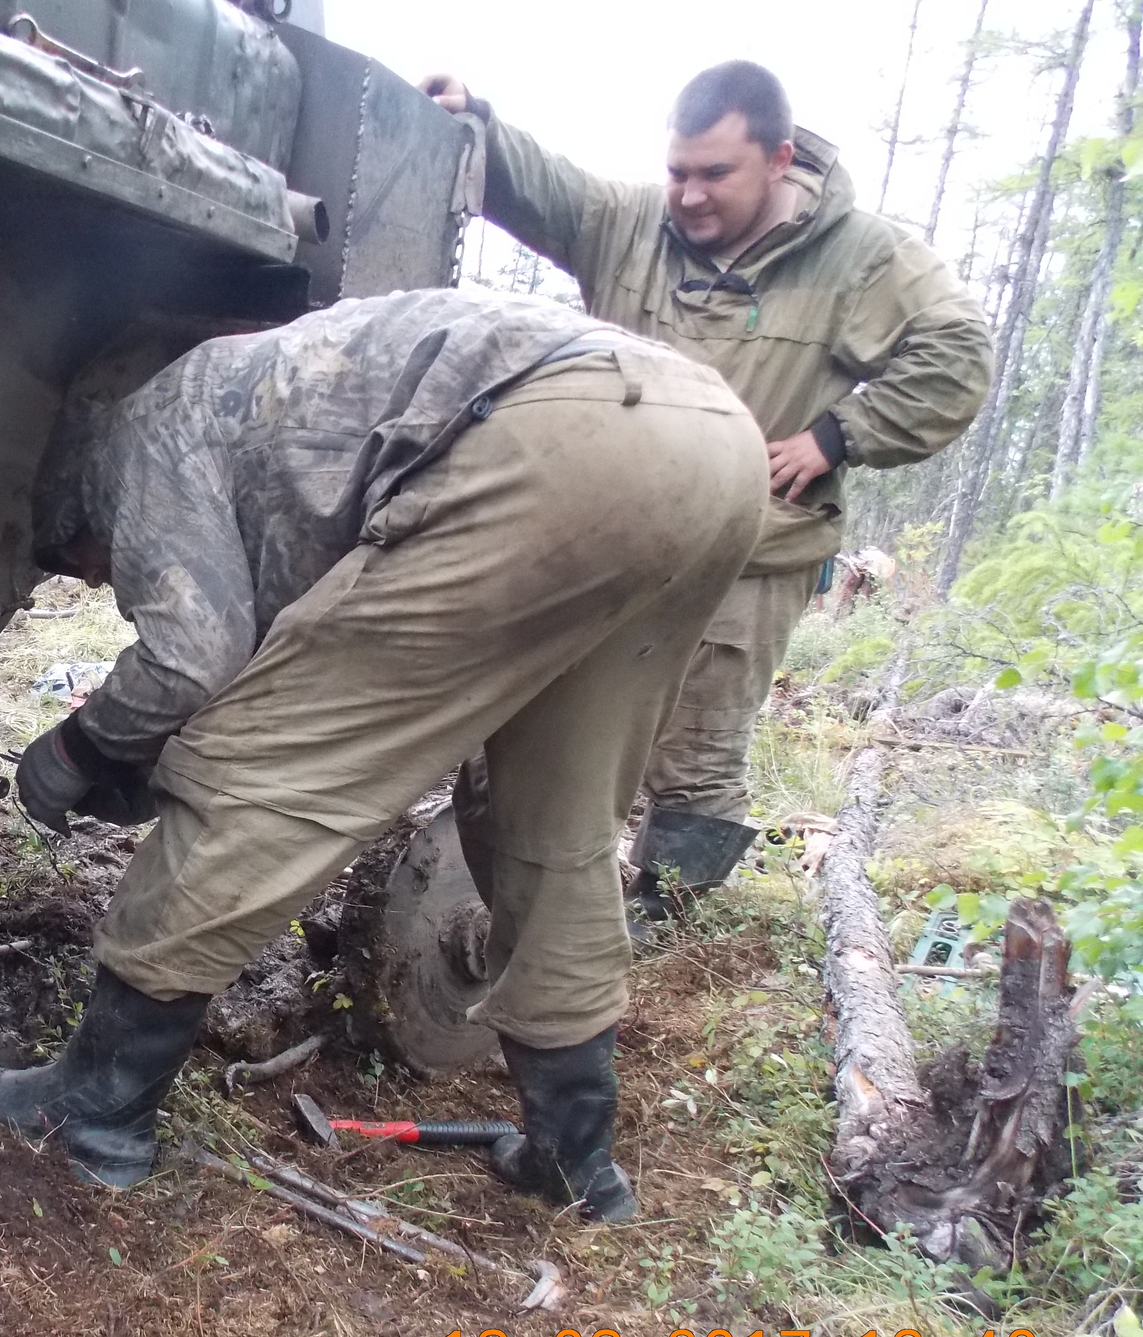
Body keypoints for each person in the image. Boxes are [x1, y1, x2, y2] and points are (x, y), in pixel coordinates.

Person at [0, 288, 767, 1218]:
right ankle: (574, 1157)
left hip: (554, 437)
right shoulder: (248, 396)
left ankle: (94, 1114)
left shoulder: (135, 439)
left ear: (76, 511)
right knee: (551, 824)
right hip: (713, 441)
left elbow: (190, 657)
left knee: (254, 773)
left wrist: (76, 748)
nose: (108, 579)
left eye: (93, 565)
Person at [422, 61, 992, 929]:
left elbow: (957, 356)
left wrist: (838, 435)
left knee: (693, 757)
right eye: (678, 171)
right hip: (609, 541)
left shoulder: (862, 257)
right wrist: (477, 123)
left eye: (714, 174)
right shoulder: (628, 223)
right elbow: (544, 188)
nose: (688, 195)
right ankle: (531, 924)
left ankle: (659, 934)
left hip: (751, 552)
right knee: (522, 735)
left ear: (779, 158)